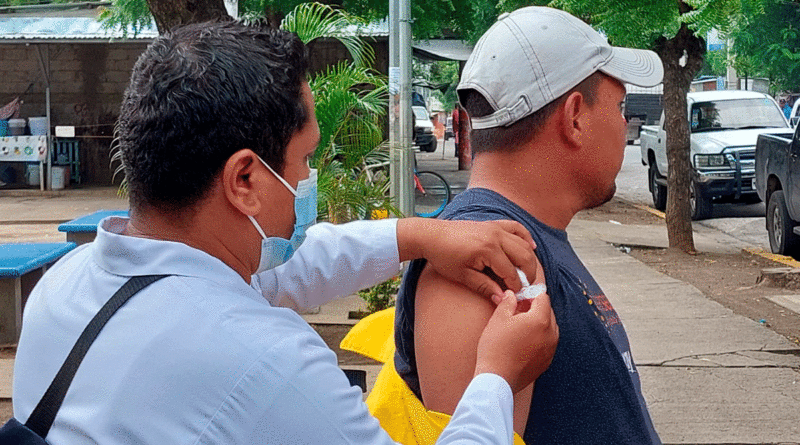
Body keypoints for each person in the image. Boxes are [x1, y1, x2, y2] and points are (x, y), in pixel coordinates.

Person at [12, 21, 559, 444]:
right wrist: (495, 377)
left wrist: (419, 237)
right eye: (304, 159)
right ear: (245, 179)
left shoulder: (66, 286)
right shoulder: (268, 366)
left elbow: (281, 272)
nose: (307, 180)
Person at [386, 7, 665, 444]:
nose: (625, 123)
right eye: (619, 105)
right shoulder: (477, 265)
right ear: (575, 117)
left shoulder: (517, 241)